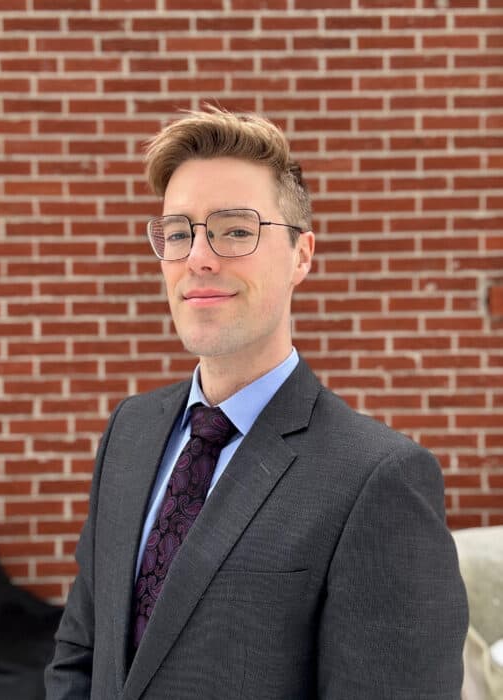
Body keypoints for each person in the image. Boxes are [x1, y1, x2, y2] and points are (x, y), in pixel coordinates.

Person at [45, 107, 468, 699]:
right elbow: (81, 655)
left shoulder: (380, 479)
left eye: (236, 229)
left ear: (302, 255)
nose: (199, 256)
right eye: (178, 231)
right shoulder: (130, 432)